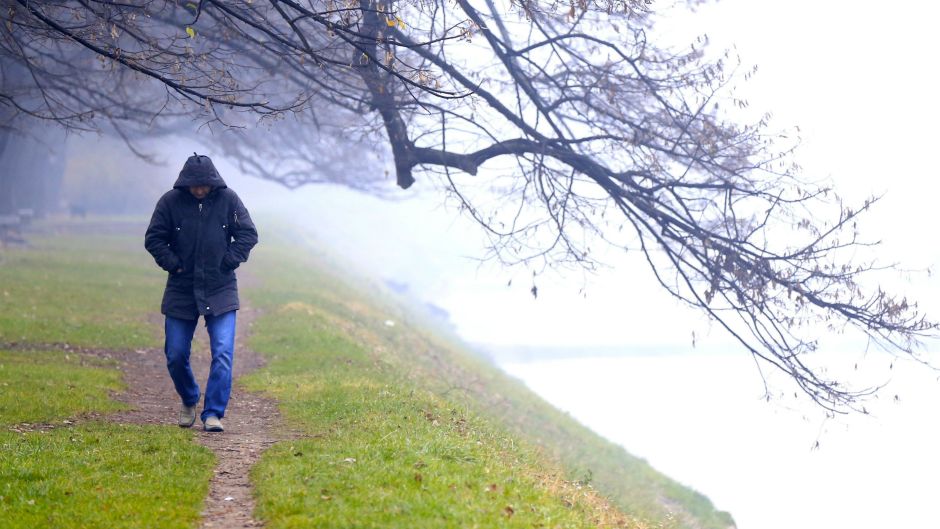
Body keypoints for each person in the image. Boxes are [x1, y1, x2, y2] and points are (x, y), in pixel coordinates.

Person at [144, 153, 258, 432]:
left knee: (222, 352)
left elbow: (248, 234)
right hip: (181, 289)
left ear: (213, 182)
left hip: (220, 288)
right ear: (185, 183)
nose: (199, 190)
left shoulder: (228, 200)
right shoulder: (169, 203)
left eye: (204, 185)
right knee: (175, 353)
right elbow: (154, 239)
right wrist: (173, 265)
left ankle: (213, 413)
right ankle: (189, 397)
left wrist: (229, 260)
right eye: (194, 185)